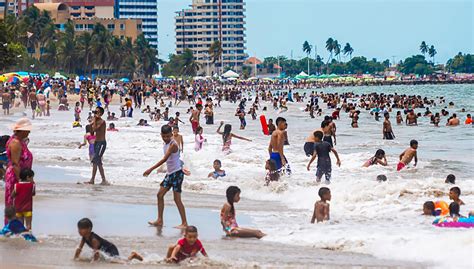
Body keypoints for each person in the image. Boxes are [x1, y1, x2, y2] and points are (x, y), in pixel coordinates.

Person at [143, 125, 188, 228]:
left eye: (168, 136)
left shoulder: (173, 144)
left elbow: (164, 159)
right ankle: (159, 220)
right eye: (164, 136)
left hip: (177, 174)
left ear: (172, 135)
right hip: (170, 174)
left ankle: (184, 223)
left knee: (177, 199)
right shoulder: (165, 143)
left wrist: (151, 169)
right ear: (161, 135)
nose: (166, 138)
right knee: (159, 195)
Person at [4, 118, 33, 224]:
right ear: (21, 131)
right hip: (16, 177)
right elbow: (15, 164)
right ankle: (13, 229)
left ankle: (17, 229)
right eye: (27, 130)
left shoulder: (20, 141)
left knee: (20, 204)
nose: (29, 132)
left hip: (20, 176)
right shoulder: (15, 143)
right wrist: (22, 181)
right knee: (15, 203)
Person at [74, 218, 143, 262]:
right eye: (78, 229)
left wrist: (93, 263)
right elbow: (79, 249)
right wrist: (75, 258)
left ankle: (133, 255)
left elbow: (96, 253)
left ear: (89, 229)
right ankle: (132, 255)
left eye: (81, 229)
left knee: (119, 262)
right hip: (105, 250)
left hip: (110, 248)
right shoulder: (84, 238)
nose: (79, 231)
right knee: (112, 260)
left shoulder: (93, 239)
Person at [86, 107, 109, 185]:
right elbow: (92, 132)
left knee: (96, 161)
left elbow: (96, 128)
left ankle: (95, 180)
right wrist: (92, 123)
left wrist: (94, 121)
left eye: (97, 112)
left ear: (101, 114)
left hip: (101, 143)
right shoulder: (95, 121)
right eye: (95, 111)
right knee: (97, 162)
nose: (95, 113)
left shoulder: (102, 122)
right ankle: (102, 180)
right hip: (96, 143)